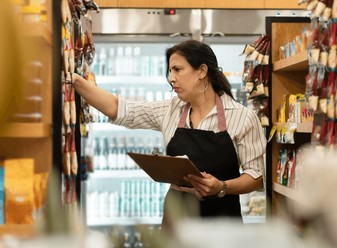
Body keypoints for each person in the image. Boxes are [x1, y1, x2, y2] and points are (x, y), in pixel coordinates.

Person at [71, 39, 266, 230]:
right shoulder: (171, 109)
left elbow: (256, 176)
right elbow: (119, 108)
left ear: (202, 71)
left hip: (222, 224)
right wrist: (75, 80)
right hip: (176, 221)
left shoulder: (242, 117)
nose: (171, 78)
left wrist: (222, 187)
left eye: (177, 69)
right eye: (170, 71)